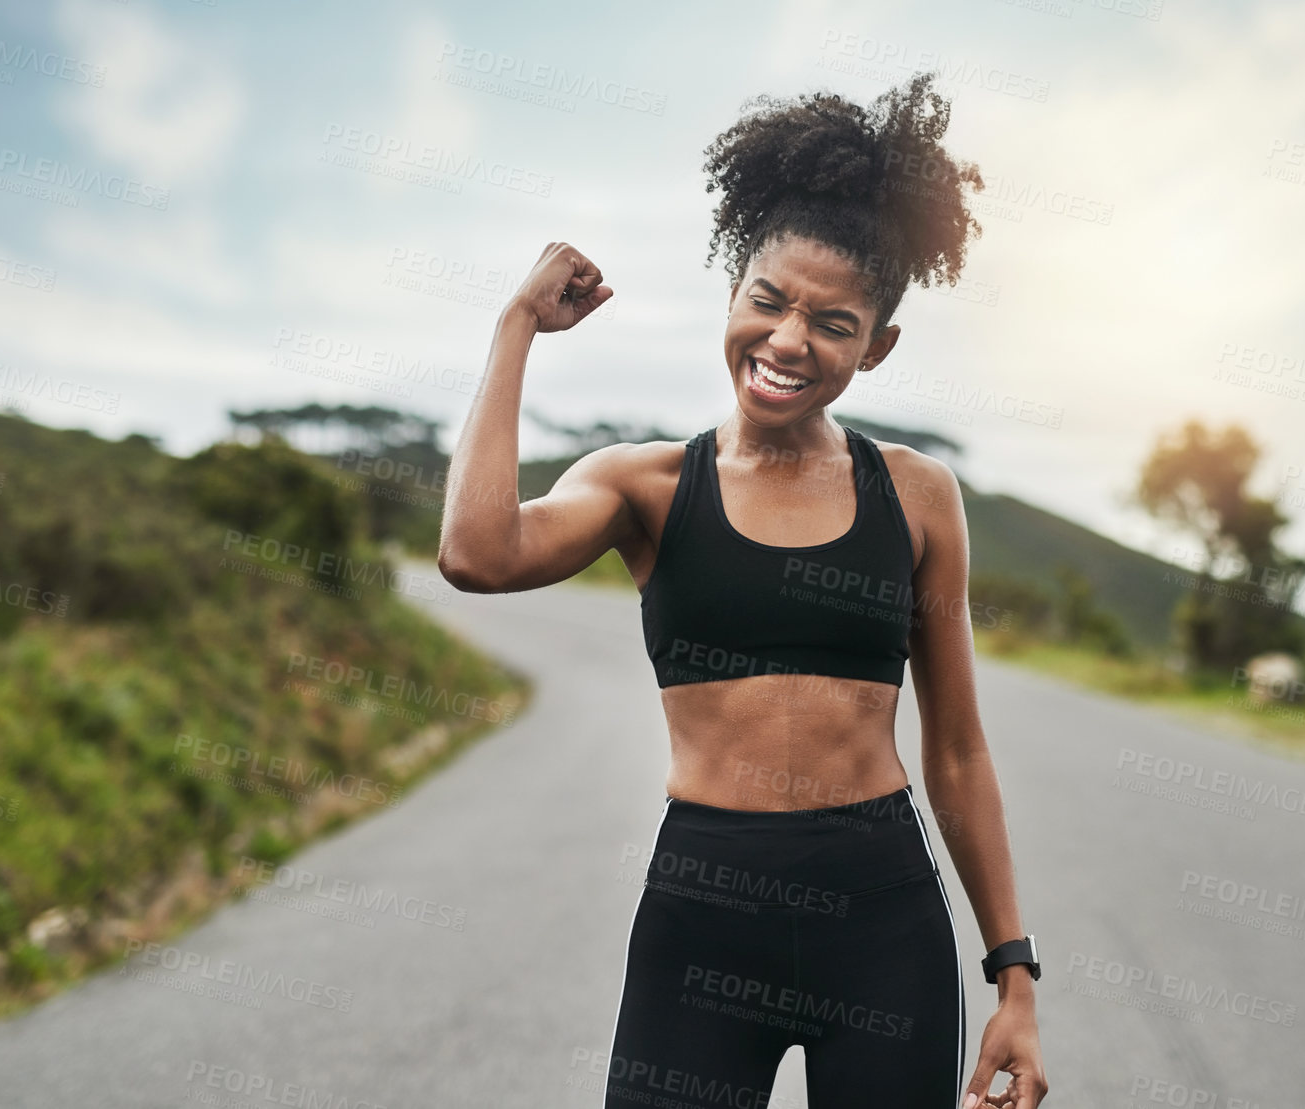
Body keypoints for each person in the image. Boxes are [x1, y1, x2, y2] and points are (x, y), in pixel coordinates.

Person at [438, 72, 1047, 1109]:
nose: (786, 341)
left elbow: (955, 747)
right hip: (701, 913)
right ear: (732, 292)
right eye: (766, 301)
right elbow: (476, 554)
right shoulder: (644, 485)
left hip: (883, 925)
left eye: (832, 322)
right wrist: (513, 329)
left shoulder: (916, 498)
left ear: (876, 345)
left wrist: (1013, 975)